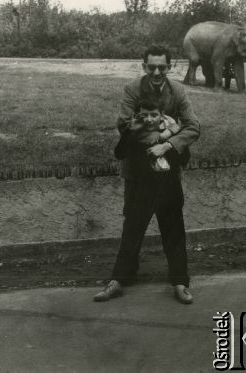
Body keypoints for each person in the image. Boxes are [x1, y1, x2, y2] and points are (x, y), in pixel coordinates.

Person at [94, 45, 201, 305]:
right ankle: (119, 279)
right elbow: (123, 124)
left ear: (169, 67)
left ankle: (179, 281)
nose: (156, 72)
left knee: (173, 226)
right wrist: (156, 135)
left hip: (166, 171)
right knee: (133, 224)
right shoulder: (132, 89)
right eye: (151, 67)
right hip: (139, 171)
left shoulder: (178, 91)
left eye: (162, 67)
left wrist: (167, 144)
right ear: (143, 66)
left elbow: (194, 126)